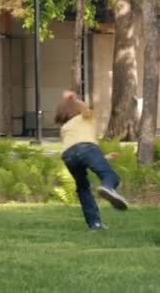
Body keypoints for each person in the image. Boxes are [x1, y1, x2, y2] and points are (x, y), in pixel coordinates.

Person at [54, 90, 128, 230]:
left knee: (83, 188)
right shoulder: (86, 117)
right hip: (86, 149)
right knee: (110, 176)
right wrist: (74, 99)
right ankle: (107, 187)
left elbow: (76, 150)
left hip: (69, 156)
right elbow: (84, 146)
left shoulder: (65, 127)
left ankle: (95, 224)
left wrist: (103, 157)